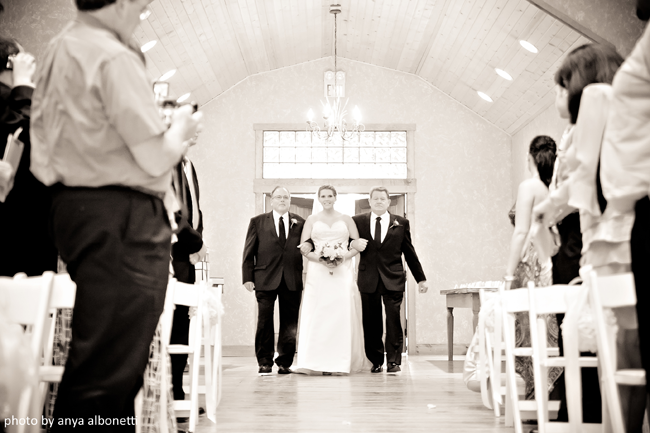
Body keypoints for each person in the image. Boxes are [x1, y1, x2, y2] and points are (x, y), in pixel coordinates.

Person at [29, 0, 203, 430]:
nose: (141, 14)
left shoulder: (59, 47)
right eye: (141, 7)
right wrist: (180, 131)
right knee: (110, 370)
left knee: (103, 362)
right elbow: (154, 155)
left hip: (75, 207)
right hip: (119, 215)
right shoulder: (111, 55)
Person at [532, 43, 624, 425]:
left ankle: (587, 416)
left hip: (602, 236)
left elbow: (583, 182)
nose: (558, 94)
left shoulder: (599, 104)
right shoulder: (577, 125)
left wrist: (546, 212)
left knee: (602, 337)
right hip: (586, 236)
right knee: (589, 335)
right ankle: (579, 413)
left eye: (562, 85)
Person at [600, 18, 650, 429]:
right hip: (625, 216)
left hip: (626, 214)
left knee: (628, 340)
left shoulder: (603, 99)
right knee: (627, 340)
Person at [505, 136, 562, 401]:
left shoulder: (529, 186)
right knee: (549, 325)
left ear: (530, 158)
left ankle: (537, 393)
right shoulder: (554, 187)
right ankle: (551, 390)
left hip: (532, 261)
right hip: (551, 257)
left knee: (530, 328)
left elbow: (521, 232)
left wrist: (508, 273)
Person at [294, 185, 371, 374]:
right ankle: (313, 361)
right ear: (319, 198)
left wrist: (342, 257)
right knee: (318, 312)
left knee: (340, 312)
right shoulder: (312, 220)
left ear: (335, 197)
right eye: (323, 196)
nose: (327, 199)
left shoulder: (346, 219)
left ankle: (340, 361)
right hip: (318, 272)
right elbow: (305, 248)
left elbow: (356, 245)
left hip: (342, 271)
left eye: (330, 195)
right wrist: (322, 259)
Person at [352, 186, 428, 373]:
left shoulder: (401, 223)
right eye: (375, 198)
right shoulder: (357, 221)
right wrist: (353, 243)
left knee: (393, 320)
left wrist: (421, 279)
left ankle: (394, 361)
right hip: (368, 278)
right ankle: (376, 360)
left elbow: (409, 253)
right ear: (369, 201)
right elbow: (346, 243)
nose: (378, 201)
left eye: (382, 199)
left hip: (393, 278)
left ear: (388, 202)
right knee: (371, 322)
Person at [0, 36, 57, 277]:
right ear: (11, 63)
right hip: (18, 230)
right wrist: (23, 86)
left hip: (23, 228)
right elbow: (26, 136)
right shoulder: (8, 99)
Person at [242, 186, 305, 374]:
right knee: (264, 321)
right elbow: (248, 252)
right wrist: (247, 277)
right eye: (279, 197)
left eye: (286, 197)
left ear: (290, 200)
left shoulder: (301, 223)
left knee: (290, 322)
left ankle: (285, 362)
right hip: (264, 278)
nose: (282, 200)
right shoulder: (258, 222)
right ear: (271, 200)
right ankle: (264, 361)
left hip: (292, 279)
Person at [170, 155, 207, 406]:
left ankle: (176, 390)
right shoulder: (165, 160)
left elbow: (195, 209)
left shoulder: (188, 165)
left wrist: (197, 242)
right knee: (170, 324)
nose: (198, 126)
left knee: (181, 323)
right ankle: (165, 391)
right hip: (169, 252)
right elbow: (172, 212)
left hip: (186, 257)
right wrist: (196, 242)